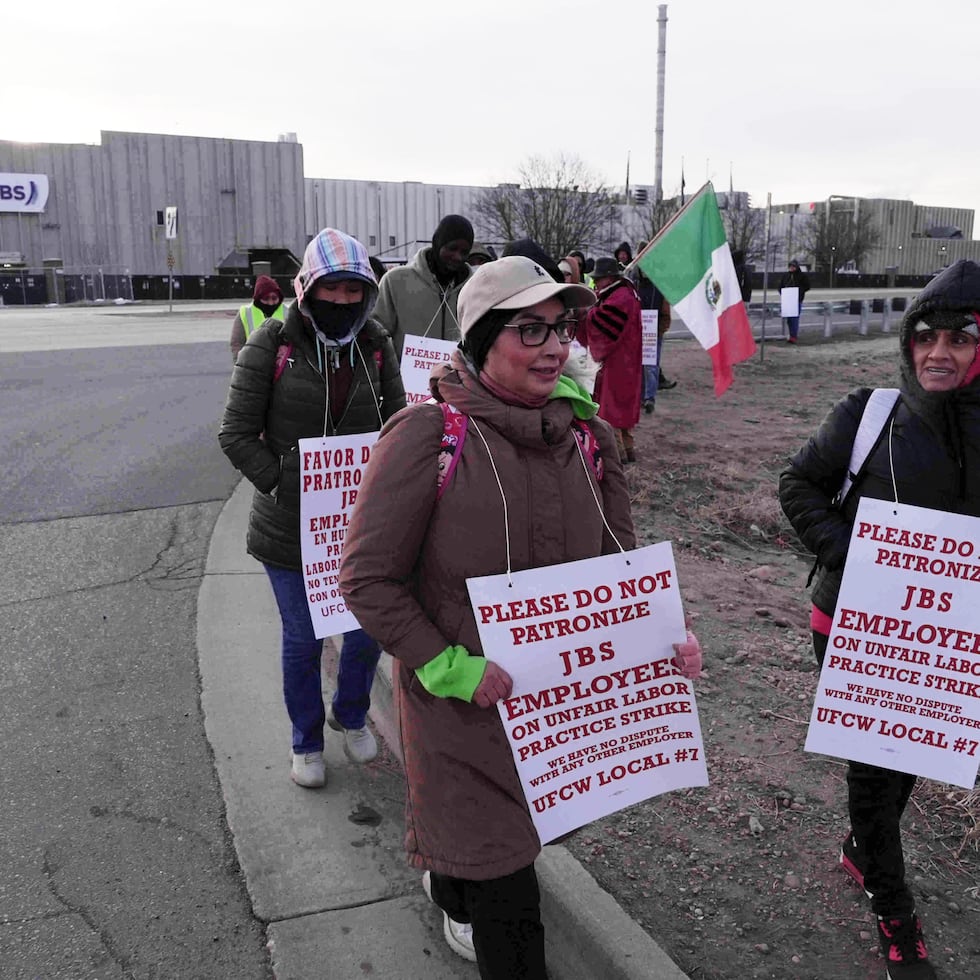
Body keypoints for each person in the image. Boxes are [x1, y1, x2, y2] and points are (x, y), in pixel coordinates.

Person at [339, 255, 701, 978]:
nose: (552, 346)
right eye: (528, 329)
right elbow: (367, 579)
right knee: (511, 901)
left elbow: (618, 575)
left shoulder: (588, 440)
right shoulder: (425, 437)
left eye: (560, 328)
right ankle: (462, 883)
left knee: (486, 857)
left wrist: (663, 642)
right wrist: (452, 668)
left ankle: (448, 882)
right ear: (480, 342)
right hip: (459, 713)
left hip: (550, 720)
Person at [778, 259, 980, 980]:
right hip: (853, 628)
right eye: (926, 335)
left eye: (961, 337)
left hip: (948, 641)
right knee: (873, 773)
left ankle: (865, 849)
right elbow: (797, 483)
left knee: (915, 758)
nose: (939, 351)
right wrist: (853, 557)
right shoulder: (870, 415)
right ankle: (897, 920)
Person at [219, 228, 406, 789]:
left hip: (360, 527)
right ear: (309, 289)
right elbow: (235, 434)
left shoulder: (376, 345)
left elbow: (398, 425)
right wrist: (286, 484)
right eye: (332, 291)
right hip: (288, 529)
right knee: (302, 639)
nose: (342, 303)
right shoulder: (269, 345)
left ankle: (350, 713)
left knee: (366, 630)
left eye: (354, 291)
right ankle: (305, 739)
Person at [373, 214, 473, 360]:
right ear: (438, 243)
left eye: (464, 252)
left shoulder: (474, 288)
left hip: (457, 380)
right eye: (452, 248)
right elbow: (377, 334)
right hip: (402, 380)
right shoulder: (395, 281)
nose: (457, 257)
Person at [582, 256, 644, 463]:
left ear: (609, 278)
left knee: (612, 410)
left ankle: (617, 455)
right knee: (623, 411)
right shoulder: (626, 293)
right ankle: (629, 450)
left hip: (617, 361)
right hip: (626, 359)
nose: (596, 283)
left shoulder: (619, 297)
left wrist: (587, 313)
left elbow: (603, 323)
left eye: (598, 279)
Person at [230, 275, 286, 363]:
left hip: (282, 368)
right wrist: (240, 365)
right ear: (258, 298)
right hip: (253, 367)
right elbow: (237, 343)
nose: (270, 303)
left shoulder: (288, 312)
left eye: (274, 298)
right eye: (266, 298)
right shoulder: (245, 313)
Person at [779, 258, 810, 343]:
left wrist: (799, 291)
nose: (791, 268)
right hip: (788, 300)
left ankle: (794, 336)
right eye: (790, 266)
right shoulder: (786, 276)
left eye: (793, 266)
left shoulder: (802, 276)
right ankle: (791, 335)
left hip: (797, 300)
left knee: (794, 318)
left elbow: (807, 286)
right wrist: (783, 293)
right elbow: (781, 286)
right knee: (789, 319)